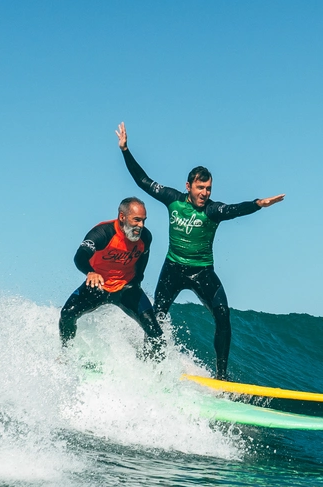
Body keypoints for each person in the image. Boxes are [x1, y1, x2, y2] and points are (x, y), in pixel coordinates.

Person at [116, 122, 284, 380]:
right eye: (200, 188)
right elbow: (143, 181)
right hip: (173, 269)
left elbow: (235, 209)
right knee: (157, 319)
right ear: (188, 186)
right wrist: (125, 150)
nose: (205, 193)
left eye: (208, 189)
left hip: (202, 272)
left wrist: (258, 204)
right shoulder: (172, 199)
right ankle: (148, 364)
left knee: (223, 317)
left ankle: (221, 376)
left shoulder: (213, 210)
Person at [59, 197, 163, 358]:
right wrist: (90, 272)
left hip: (126, 288)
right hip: (98, 285)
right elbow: (80, 256)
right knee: (67, 314)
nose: (141, 226)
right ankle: (66, 355)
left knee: (155, 332)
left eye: (143, 221)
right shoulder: (103, 233)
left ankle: (153, 368)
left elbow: (143, 257)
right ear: (122, 217)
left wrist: (137, 280)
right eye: (136, 220)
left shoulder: (145, 237)